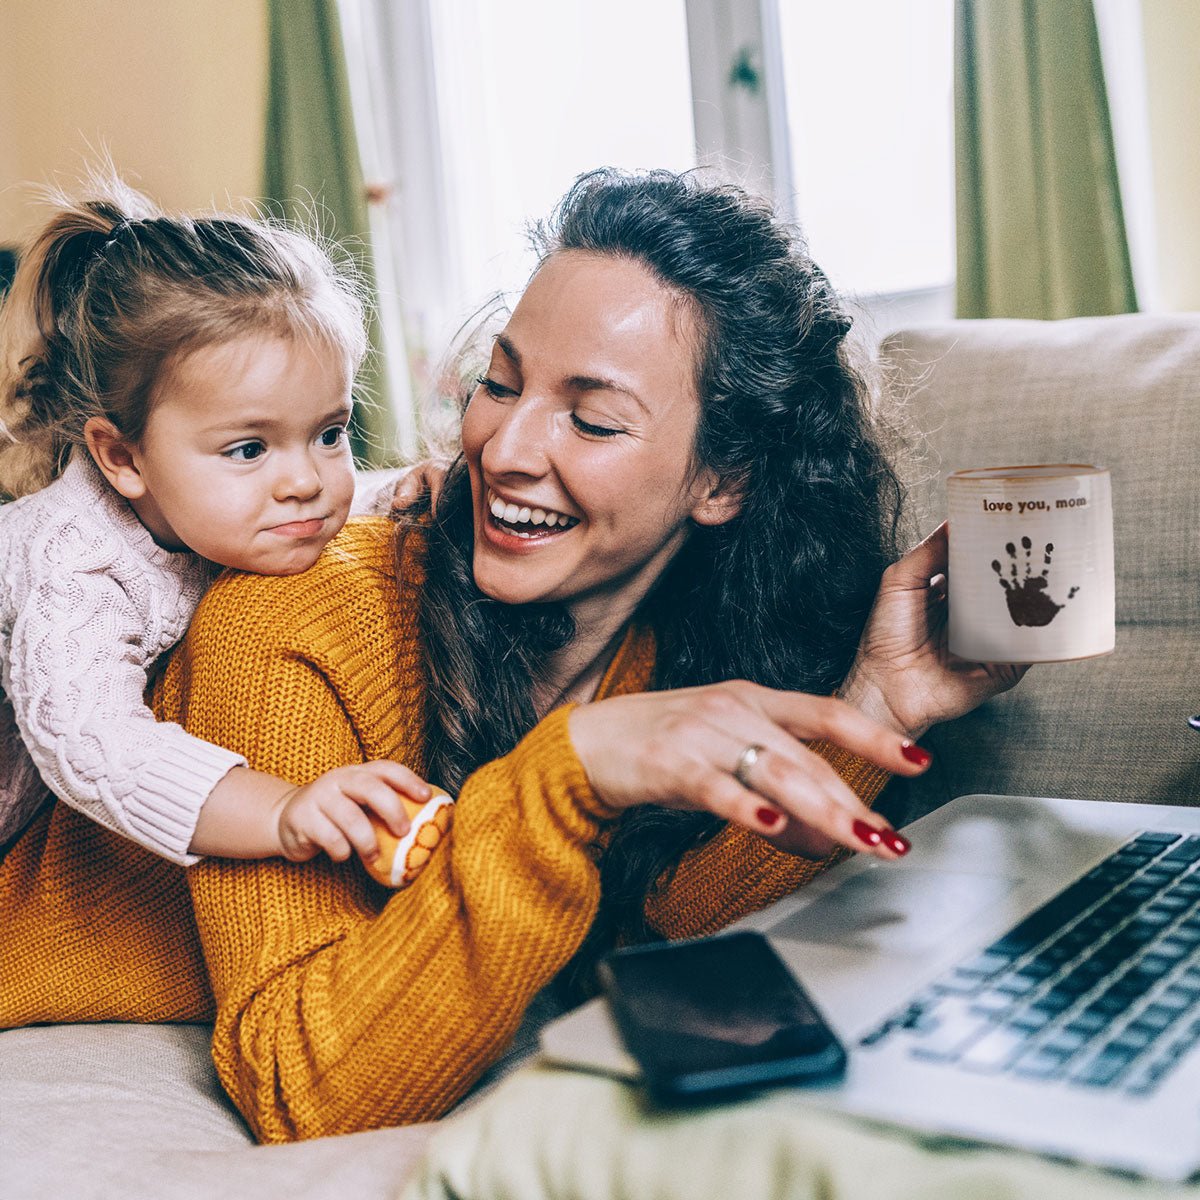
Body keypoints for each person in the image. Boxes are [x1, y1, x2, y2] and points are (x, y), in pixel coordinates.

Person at [0, 169, 1023, 1144]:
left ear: (722, 480)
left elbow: (659, 938)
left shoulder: (656, 640)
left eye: (592, 418)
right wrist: (564, 778)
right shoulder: (285, 616)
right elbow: (299, 1082)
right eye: (499, 382)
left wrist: (879, 708)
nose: (505, 447)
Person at [0, 177, 444, 879]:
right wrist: (281, 810)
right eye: (249, 448)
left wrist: (407, 491)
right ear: (122, 457)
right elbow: (93, 747)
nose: (307, 480)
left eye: (330, 432)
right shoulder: (73, 564)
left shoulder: (237, 502)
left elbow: (338, 496)